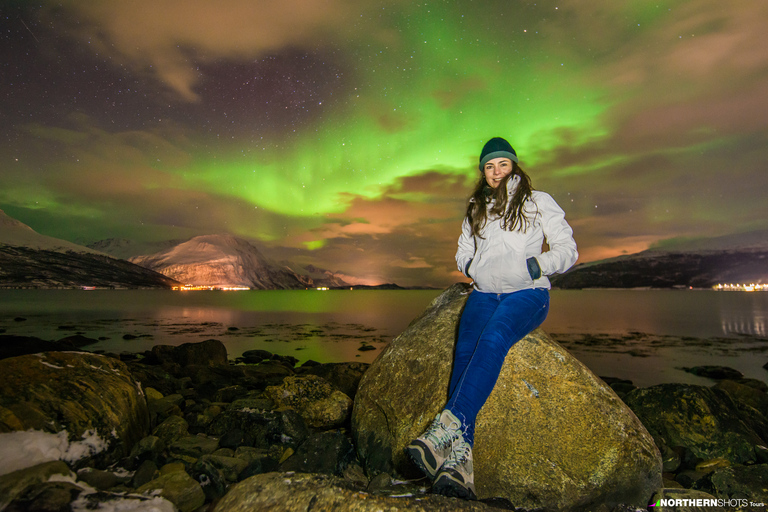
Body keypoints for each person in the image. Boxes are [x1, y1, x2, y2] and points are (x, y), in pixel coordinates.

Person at [406, 137, 578, 499]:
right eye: (489, 166)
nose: (496, 172)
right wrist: (473, 268)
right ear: (482, 171)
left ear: (514, 165)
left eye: (502, 164)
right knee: (465, 353)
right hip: (483, 293)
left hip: (528, 294)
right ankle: (460, 465)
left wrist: (538, 266)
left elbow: (567, 249)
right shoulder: (477, 206)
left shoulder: (537, 200)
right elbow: (463, 249)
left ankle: (447, 425)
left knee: (495, 337)